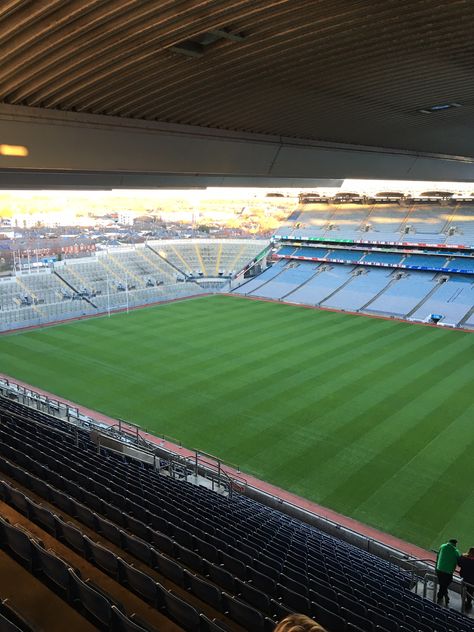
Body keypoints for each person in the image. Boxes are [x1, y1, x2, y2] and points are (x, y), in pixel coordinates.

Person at [436, 538, 461, 605]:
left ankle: (445, 595)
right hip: (448, 572)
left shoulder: (442, 546)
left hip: (439, 569)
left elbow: (438, 556)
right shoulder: (456, 551)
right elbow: (459, 563)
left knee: (443, 584)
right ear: (455, 544)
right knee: (445, 584)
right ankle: (439, 597)